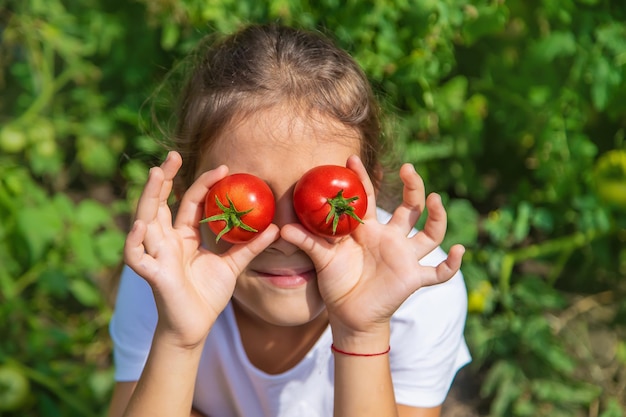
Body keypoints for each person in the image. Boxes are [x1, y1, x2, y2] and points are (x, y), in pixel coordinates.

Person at [107, 23, 471, 417]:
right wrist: (178, 340)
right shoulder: (165, 279)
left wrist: (362, 333)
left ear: (368, 190)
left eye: (312, 201)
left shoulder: (416, 291)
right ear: (188, 199)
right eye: (246, 201)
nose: (284, 238)